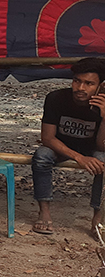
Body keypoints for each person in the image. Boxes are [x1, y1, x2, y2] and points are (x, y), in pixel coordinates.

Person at [31, 57, 105, 235]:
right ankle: (44, 211)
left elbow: (102, 146)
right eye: (77, 81)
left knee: (104, 161)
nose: (80, 88)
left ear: (100, 86)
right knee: (42, 155)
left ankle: (99, 216)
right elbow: (47, 138)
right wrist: (79, 158)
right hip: (61, 147)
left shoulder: (103, 105)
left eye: (89, 83)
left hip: (91, 150)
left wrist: (105, 118)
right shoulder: (56, 98)